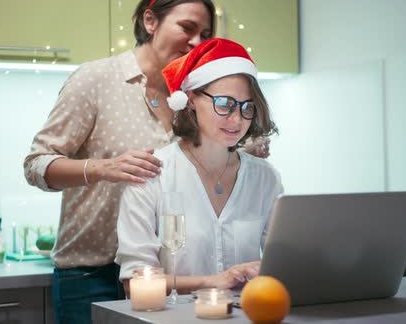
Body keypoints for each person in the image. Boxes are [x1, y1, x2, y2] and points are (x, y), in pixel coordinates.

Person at [23, 0, 217, 323]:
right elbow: (36, 165)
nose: (196, 42)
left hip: (165, 276)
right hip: (90, 277)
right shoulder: (96, 79)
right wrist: (102, 168)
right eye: (187, 28)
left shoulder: (190, 98)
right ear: (150, 21)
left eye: (206, 35)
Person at [115, 38, 283, 295]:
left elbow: (284, 265)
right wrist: (212, 282)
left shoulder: (265, 178)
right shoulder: (153, 176)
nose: (237, 119)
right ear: (191, 99)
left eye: (247, 107)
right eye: (225, 104)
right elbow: (134, 282)